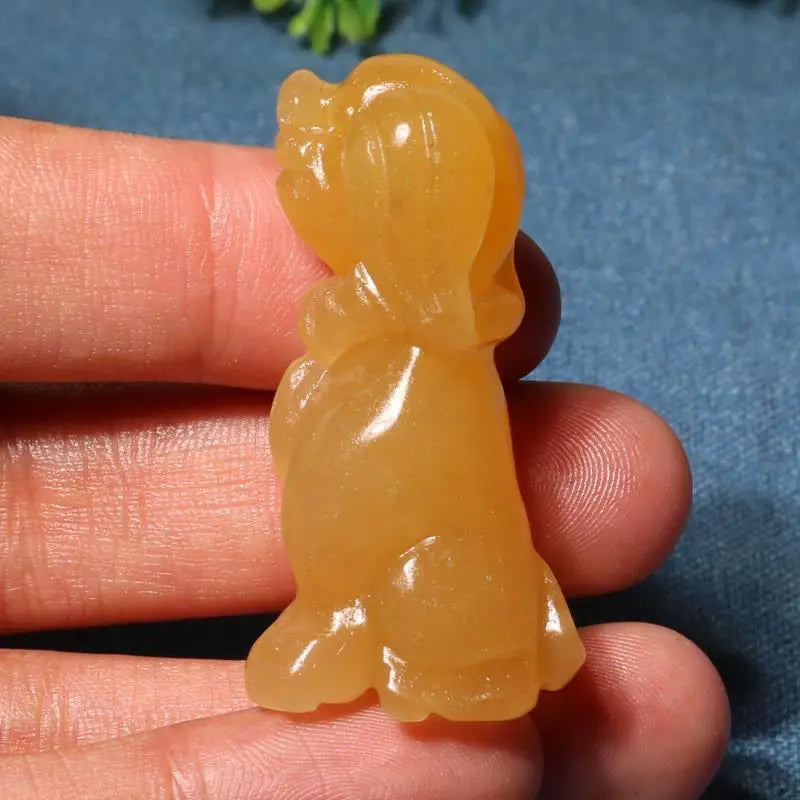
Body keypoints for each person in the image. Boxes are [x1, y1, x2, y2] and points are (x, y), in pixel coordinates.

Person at [0, 117, 729, 799]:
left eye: (340, 172)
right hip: (373, 557)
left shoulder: (433, 343)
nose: (304, 184)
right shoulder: (380, 327)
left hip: (433, 582)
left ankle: (384, 632)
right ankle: (348, 617)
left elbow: (375, 481)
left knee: (427, 563)